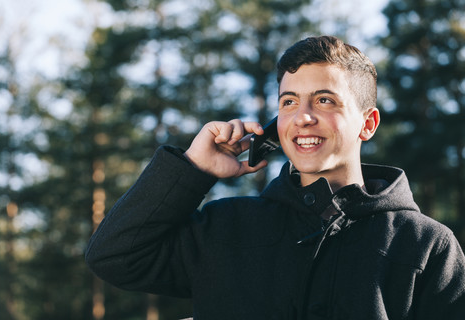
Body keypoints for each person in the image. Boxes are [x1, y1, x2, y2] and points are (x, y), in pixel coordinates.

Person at [85, 36, 465, 319]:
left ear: (367, 123)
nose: (303, 116)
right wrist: (193, 169)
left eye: (324, 100)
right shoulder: (225, 226)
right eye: (288, 102)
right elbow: (115, 255)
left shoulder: (425, 245)